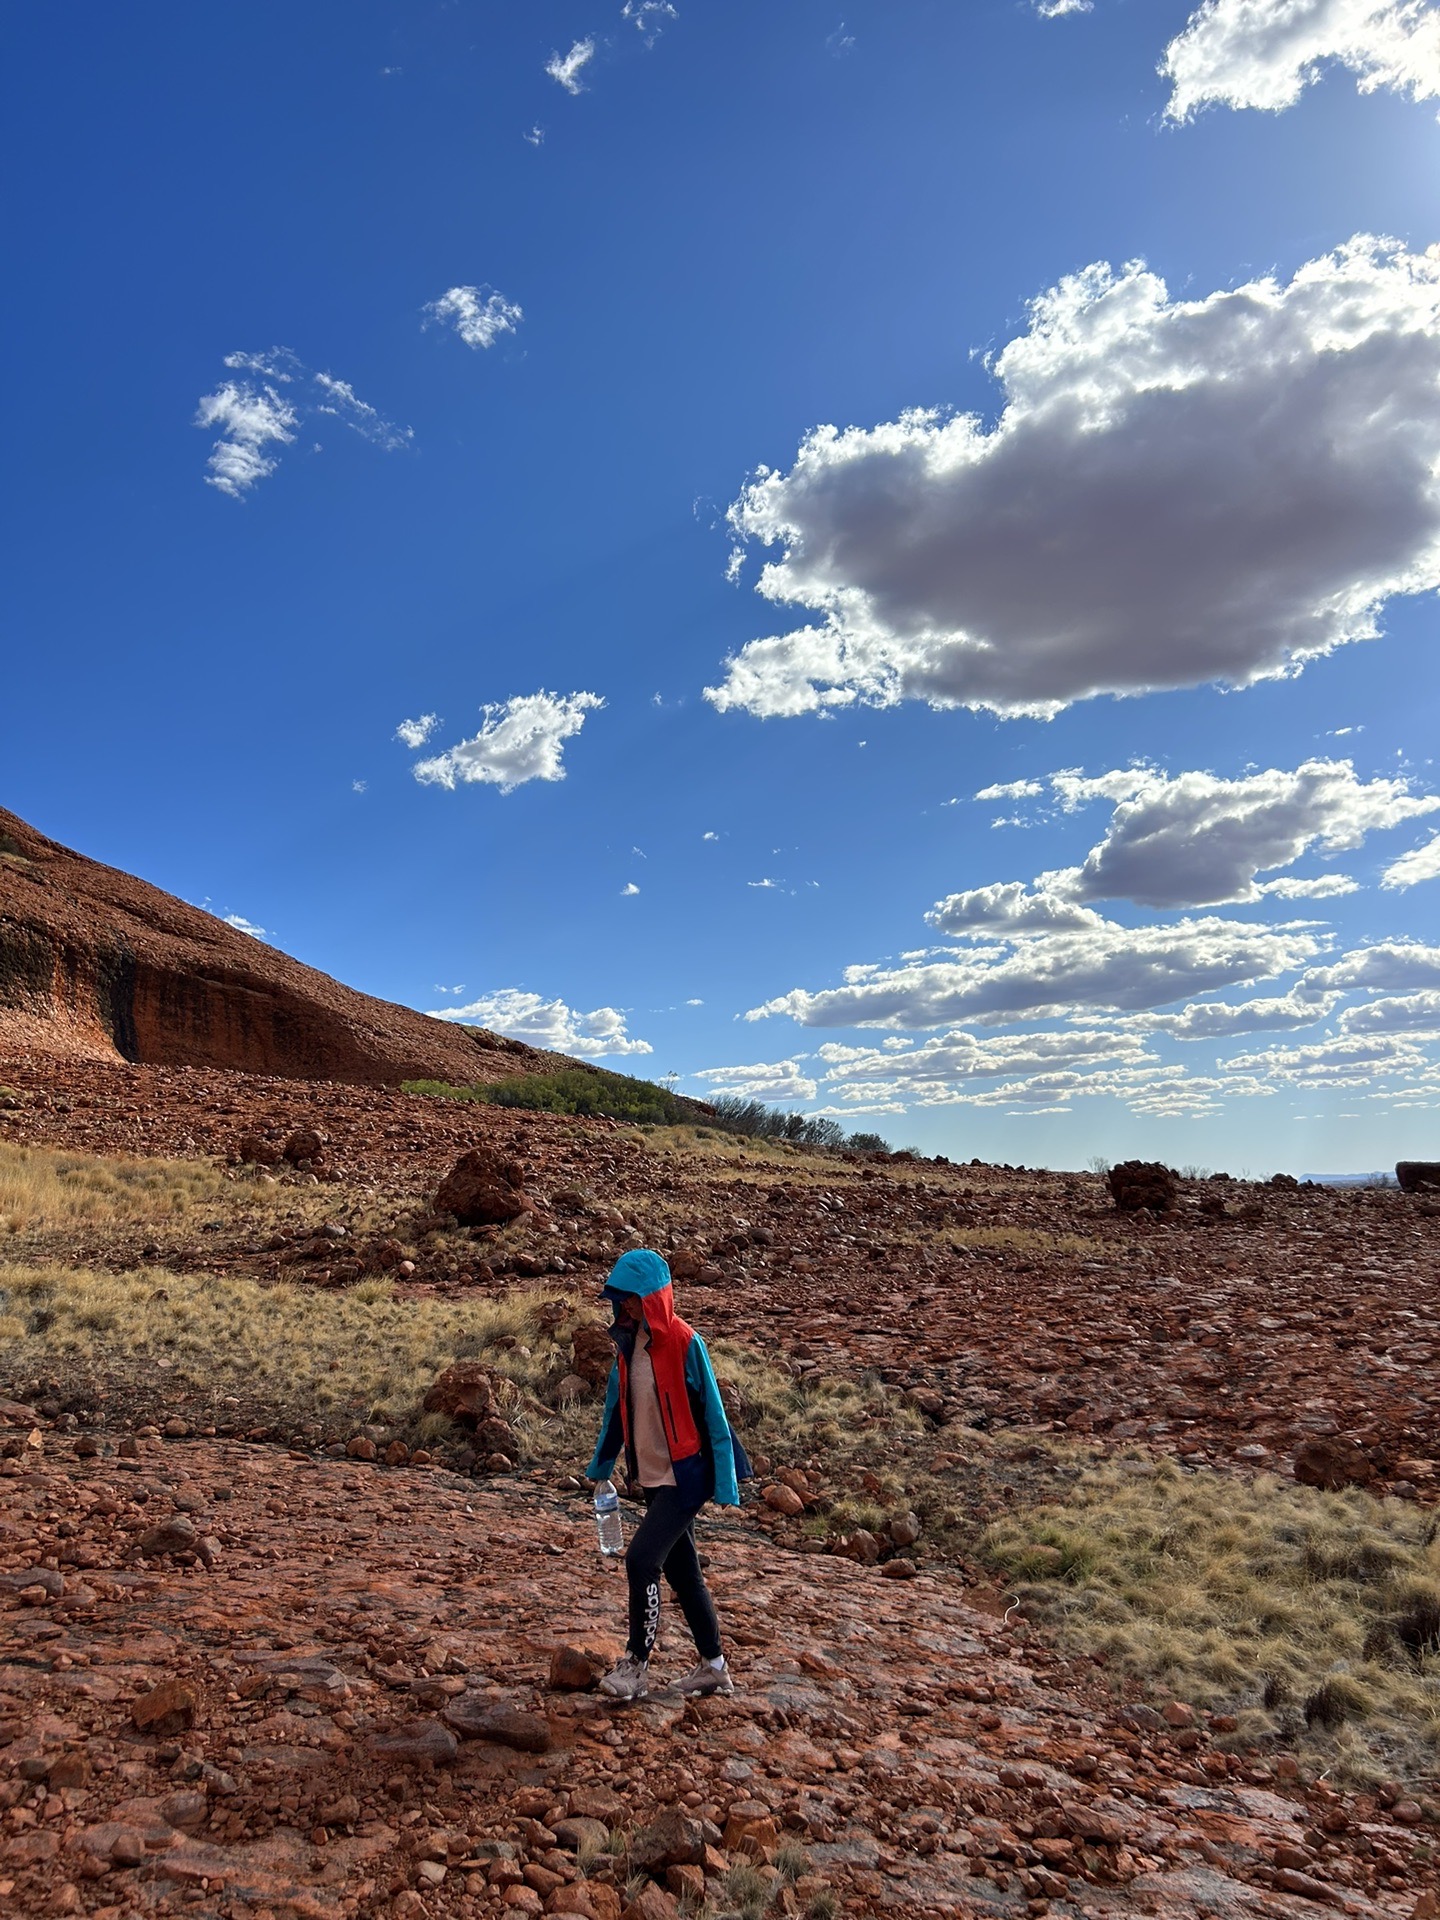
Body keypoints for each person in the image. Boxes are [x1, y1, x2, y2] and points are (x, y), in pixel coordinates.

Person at [586, 1248, 747, 1700]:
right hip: (653, 1478)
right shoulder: (626, 1346)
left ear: (654, 1296)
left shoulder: (685, 1342)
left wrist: (725, 1483)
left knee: (641, 1560)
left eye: (634, 1296)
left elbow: (715, 1416)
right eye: (621, 1298)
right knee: (685, 1573)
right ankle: (714, 1666)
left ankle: (637, 1664)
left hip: (686, 1478)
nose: (627, 1305)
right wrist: (601, 1469)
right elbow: (615, 1417)